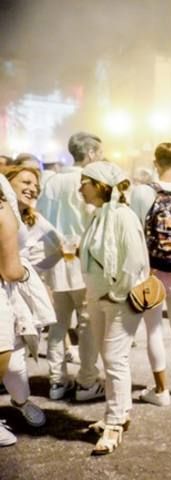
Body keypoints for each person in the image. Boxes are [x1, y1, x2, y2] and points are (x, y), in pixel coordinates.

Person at [78, 161, 150, 455]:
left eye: (84, 182)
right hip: (98, 296)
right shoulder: (98, 216)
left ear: (99, 185)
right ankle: (121, 411)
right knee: (109, 358)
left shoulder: (122, 216)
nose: (80, 188)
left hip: (120, 299)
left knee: (113, 357)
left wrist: (116, 294)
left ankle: (115, 423)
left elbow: (134, 263)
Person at [37, 132, 105, 401]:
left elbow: (40, 220)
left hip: (56, 261)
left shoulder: (51, 183)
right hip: (82, 260)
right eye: (98, 153)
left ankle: (56, 380)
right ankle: (87, 382)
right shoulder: (88, 181)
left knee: (58, 324)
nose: (100, 157)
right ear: (90, 154)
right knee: (87, 324)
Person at [129, 142, 171, 406]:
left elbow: (136, 233)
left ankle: (161, 391)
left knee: (154, 329)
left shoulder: (142, 193)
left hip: (153, 268)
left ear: (155, 162)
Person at [0, 176, 41, 446]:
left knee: (14, 361)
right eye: (25, 181)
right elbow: (11, 270)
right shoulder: (4, 206)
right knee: (4, 354)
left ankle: (21, 401)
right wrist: (27, 274)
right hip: (5, 285)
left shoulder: (9, 201)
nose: (32, 189)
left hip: (7, 292)